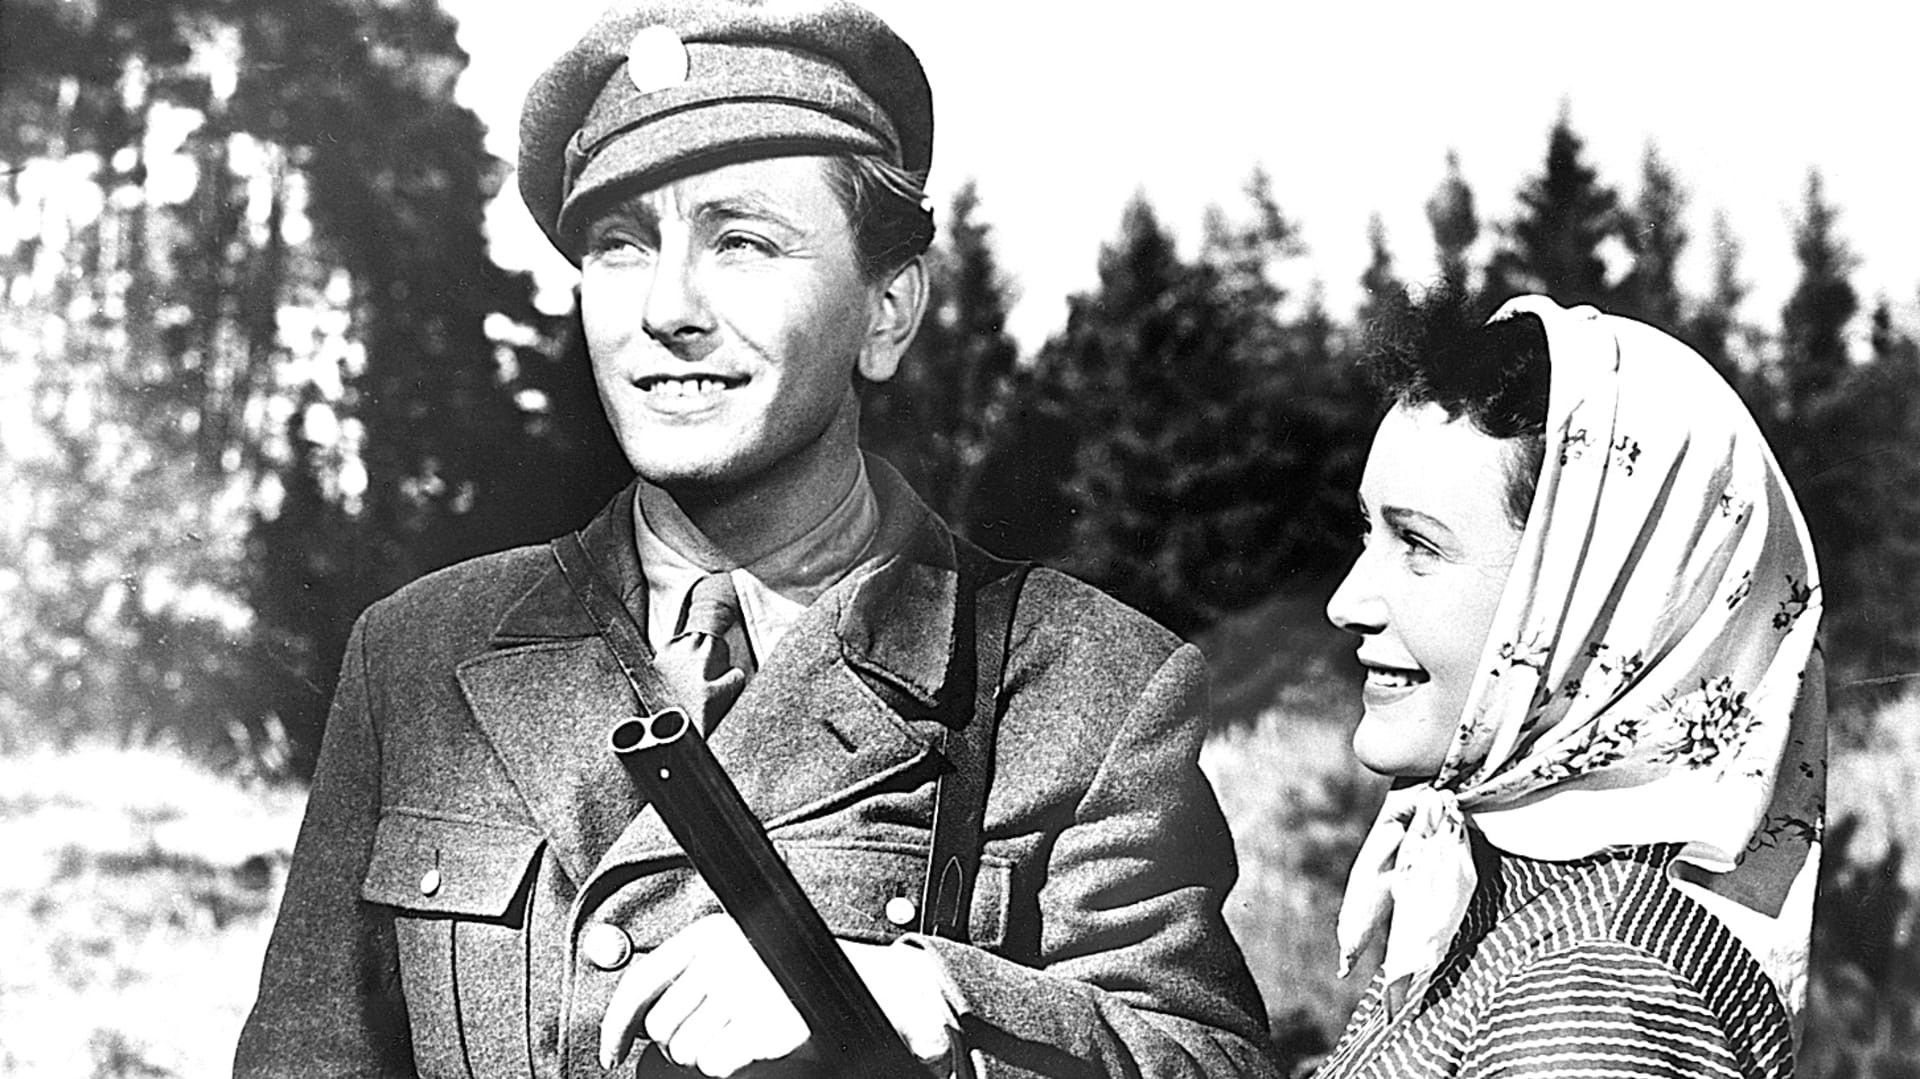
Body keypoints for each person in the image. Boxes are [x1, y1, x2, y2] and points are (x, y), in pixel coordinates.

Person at [233, 2, 1276, 1077]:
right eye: (621, 245)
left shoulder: (1086, 682)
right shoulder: (416, 656)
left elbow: (1210, 1059)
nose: (667, 308)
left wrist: (914, 997)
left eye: (741, 241)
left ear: (886, 309)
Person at [1313, 291, 1824, 1078]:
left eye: (1418, 544)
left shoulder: (1587, 1000)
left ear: (1590, 601)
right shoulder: (1516, 886)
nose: (1347, 601)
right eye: (1368, 531)